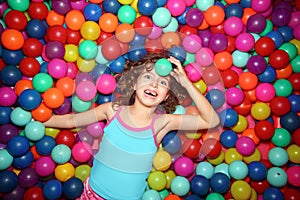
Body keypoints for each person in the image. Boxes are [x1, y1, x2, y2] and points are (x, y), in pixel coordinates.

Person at [43, 53, 220, 200]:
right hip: (91, 194)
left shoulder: (162, 123)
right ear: (135, 84)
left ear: (166, 96)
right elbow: (70, 121)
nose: (154, 84)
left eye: (163, 83)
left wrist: (185, 82)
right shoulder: (112, 110)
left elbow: (211, 121)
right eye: (148, 77)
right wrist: (42, 120)